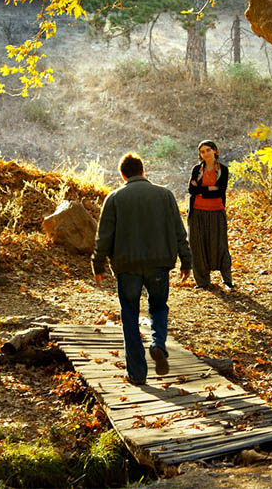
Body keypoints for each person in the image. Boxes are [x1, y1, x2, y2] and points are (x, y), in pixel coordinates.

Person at [92, 152, 192, 385]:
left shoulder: (115, 198)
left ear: (123, 175)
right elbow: (179, 231)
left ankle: (137, 374)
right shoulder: (165, 195)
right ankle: (157, 343)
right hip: (159, 264)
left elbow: (104, 236)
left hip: (127, 267)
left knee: (129, 314)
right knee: (158, 307)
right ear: (143, 171)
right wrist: (186, 261)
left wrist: (98, 264)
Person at [187, 139, 233, 290]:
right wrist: (209, 189)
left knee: (220, 244)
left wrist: (201, 189)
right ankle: (202, 281)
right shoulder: (196, 169)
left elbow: (220, 191)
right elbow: (191, 190)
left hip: (216, 210)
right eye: (202, 151)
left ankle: (227, 281)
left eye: (208, 150)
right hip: (197, 211)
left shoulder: (223, 170)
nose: (205, 153)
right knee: (198, 245)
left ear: (215, 150)